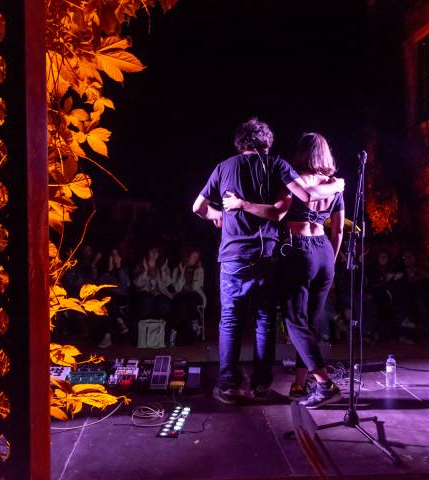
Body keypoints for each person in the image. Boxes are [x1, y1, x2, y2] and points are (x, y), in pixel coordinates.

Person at [193, 119, 344, 405]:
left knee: (231, 321)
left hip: (235, 256)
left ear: (240, 142)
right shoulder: (278, 165)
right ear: (267, 143)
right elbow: (304, 206)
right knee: (266, 320)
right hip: (273, 254)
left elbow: (197, 207)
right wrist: (339, 185)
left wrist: (219, 215)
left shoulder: (223, 167)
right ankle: (265, 385)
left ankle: (229, 386)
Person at [169, 248, 206, 345]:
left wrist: (195, 276)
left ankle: (175, 330)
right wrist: (181, 273)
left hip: (195, 295)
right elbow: (177, 289)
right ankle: (189, 327)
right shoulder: (178, 269)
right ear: (187, 256)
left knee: (189, 300)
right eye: (194, 256)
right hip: (181, 296)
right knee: (182, 303)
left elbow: (195, 288)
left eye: (197, 257)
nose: (195, 259)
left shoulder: (199, 269)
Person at [96, 248, 131, 348]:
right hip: (107, 297)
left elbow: (125, 285)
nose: (114, 257)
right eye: (112, 255)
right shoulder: (104, 269)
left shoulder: (124, 268)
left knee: (108, 302)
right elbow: (100, 284)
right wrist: (109, 270)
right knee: (106, 304)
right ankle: (119, 321)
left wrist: (118, 267)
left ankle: (108, 336)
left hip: (120, 296)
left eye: (116, 255)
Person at [131, 247, 174, 320]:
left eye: (156, 252)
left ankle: (159, 325)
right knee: (147, 299)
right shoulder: (140, 265)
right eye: (152, 251)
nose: (154, 254)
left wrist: (163, 271)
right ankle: (145, 323)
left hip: (159, 294)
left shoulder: (163, 266)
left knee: (163, 302)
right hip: (144, 295)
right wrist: (145, 271)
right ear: (147, 252)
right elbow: (137, 283)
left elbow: (167, 283)